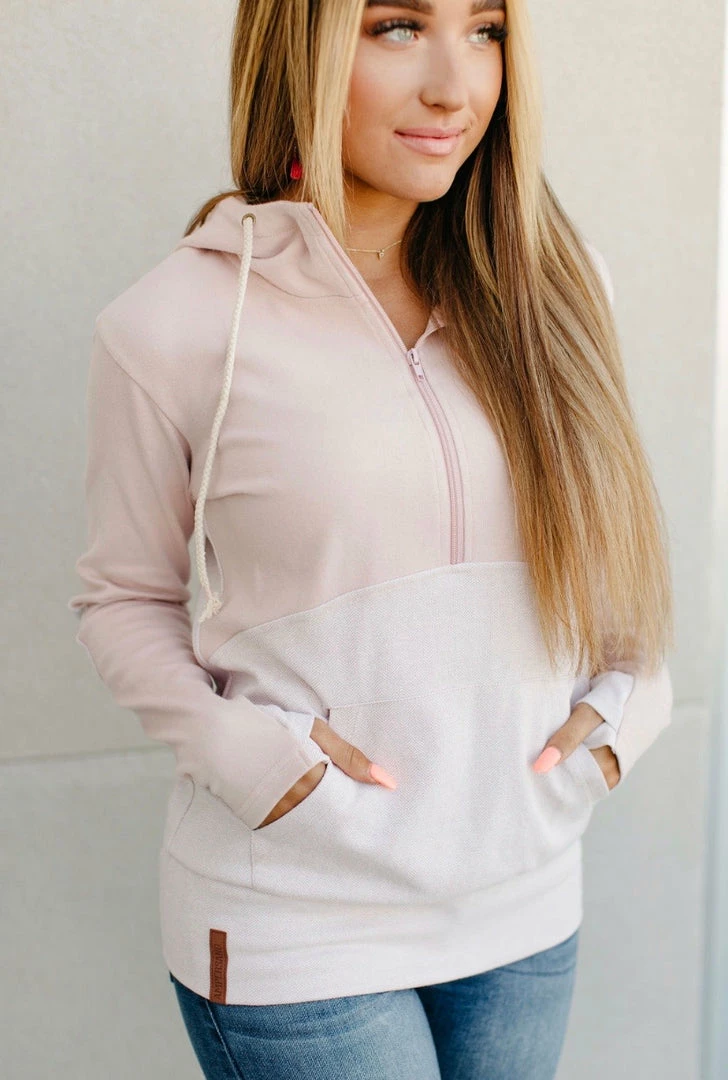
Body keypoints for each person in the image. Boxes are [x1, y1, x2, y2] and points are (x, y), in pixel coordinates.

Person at [67, 0, 675, 1076]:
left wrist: (630, 707)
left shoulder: (559, 286)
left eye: (484, 30)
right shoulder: (176, 323)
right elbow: (124, 598)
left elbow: (612, 543)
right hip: (298, 918)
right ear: (298, 42)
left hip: (526, 898)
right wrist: (252, 761)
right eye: (397, 26)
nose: (455, 85)